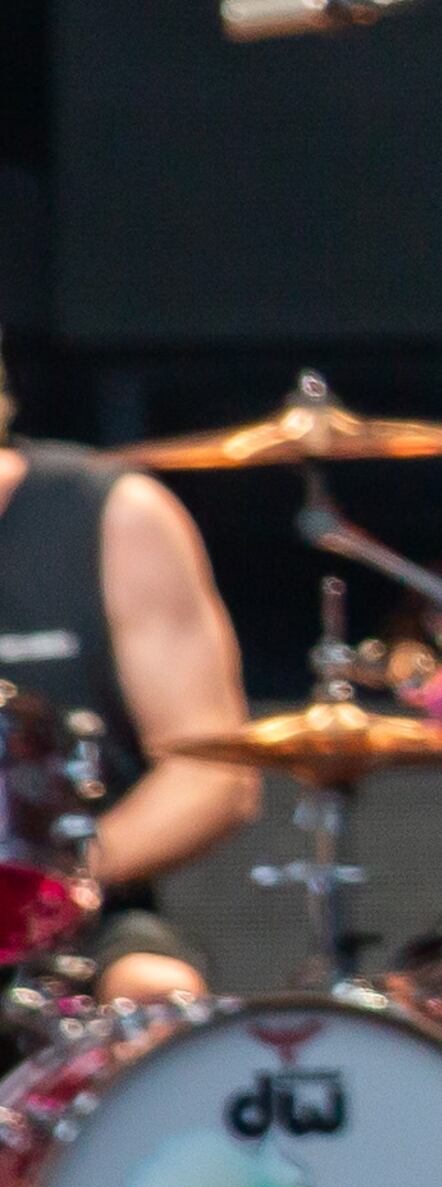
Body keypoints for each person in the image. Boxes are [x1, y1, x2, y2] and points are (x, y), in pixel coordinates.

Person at [0, 346, 258, 1005]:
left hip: (66, 916)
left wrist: (56, 882)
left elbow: (212, 769)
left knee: (154, 991)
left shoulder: (106, 513)